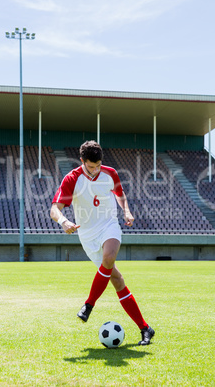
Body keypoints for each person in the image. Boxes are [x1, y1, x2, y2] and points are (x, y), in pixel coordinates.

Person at [50, 140, 155, 345]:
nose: (95, 170)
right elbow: (54, 208)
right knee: (117, 280)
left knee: (109, 257)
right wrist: (63, 221)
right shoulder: (72, 178)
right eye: (91, 166)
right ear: (82, 161)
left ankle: (88, 305)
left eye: (98, 165)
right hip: (87, 236)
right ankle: (145, 328)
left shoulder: (110, 173)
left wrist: (126, 210)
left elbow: (119, 193)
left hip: (109, 226)